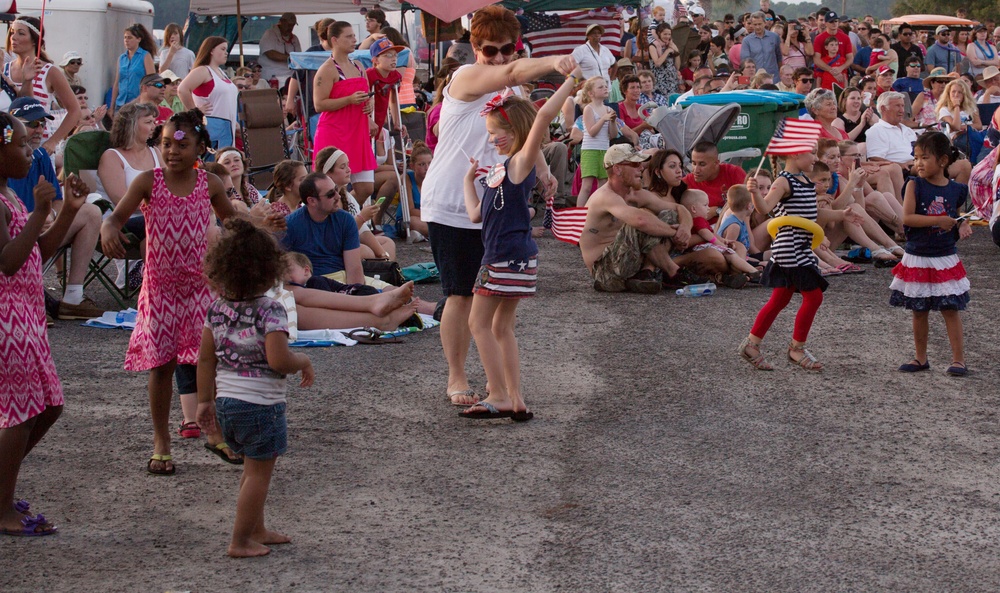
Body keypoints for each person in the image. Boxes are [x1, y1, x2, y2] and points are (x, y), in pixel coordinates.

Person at [421, 5, 568, 407]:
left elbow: (527, 131)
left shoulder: (512, 91)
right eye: (491, 49)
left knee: (494, 300)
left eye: (508, 49)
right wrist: (555, 61)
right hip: (453, 201)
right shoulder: (466, 76)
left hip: (494, 205)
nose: (500, 57)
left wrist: (542, 170)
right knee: (461, 295)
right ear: (476, 48)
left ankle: (499, 386)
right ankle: (456, 377)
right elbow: (512, 73)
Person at [100, 110, 237, 476]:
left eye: (182, 145)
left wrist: (260, 223)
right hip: (160, 290)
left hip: (199, 288)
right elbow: (116, 217)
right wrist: (108, 228)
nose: (172, 151)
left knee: (209, 361)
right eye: (165, 144)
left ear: (200, 148)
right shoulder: (148, 181)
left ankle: (213, 431)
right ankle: (161, 442)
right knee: (162, 366)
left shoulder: (210, 184)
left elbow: (233, 221)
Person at [458, 72, 577, 421]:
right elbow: (476, 214)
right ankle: (516, 397)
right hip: (517, 258)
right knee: (501, 328)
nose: (491, 139)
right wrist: (468, 180)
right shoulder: (500, 169)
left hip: (502, 258)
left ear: (515, 132)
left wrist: (572, 79)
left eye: (495, 132)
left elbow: (542, 116)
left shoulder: (519, 163)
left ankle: (498, 394)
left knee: (478, 323)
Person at [195, 217, 313, 558]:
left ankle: (256, 528)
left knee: (250, 469)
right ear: (269, 270)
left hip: (227, 404)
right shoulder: (271, 310)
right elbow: (278, 360)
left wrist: (204, 402)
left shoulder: (217, 309)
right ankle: (240, 539)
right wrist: (302, 361)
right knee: (259, 475)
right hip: (261, 405)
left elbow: (205, 360)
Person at [0, 114, 91, 538]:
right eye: (20, 144)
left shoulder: (9, 197)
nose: (29, 151)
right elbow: (7, 262)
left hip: (26, 315)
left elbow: (36, 252)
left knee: (48, 405)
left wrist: (67, 210)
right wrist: (40, 211)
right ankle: (2, 507)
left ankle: (1, 486)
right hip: (7, 320)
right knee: (20, 412)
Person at [8, 98, 104, 320]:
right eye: (33, 124)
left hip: (40, 231)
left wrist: (50, 214)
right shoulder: (6, 160)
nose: (39, 130)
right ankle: (28, 299)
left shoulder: (40, 156)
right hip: (13, 240)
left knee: (91, 212)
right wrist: (31, 218)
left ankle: (73, 298)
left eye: (43, 123)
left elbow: (57, 203)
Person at [738, 146, 827, 372]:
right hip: (791, 249)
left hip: (801, 247)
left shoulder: (804, 180)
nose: (816, 158)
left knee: (780, 299)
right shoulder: (784, 182)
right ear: (795, 153)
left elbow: (808, 216)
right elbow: (765, 208)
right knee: (814, 296)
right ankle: (797, 348)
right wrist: (755, 193)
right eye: (812, 152)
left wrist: (819, 236)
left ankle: (751, 345)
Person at [890, 132, 971, 376]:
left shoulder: (957, 189)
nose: (919, 163)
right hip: (918, 255)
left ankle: (958, 360)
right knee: (919, 310)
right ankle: (920, 357)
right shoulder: (914, 185)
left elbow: (956, 215)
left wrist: (962, 224)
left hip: (945, 257)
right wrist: (938, 220)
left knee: (950, 309)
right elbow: (907, 218)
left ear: (943, 160)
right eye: (916, 158)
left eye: (925, 157)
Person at [314, 22, 377, 203]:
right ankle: (340, 211)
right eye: (348, 36)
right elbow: (319, 104)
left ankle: (348, 211)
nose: (354, 40)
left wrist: (369, 105)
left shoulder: (358, 66)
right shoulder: (327, 69)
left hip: (357, 131)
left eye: (354, 36)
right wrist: (348, 100)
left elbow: (366, 93)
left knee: (366, 187)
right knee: (331, 188)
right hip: (335, 131)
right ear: (334, 40)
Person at [5, 16, 81, 152]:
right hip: (9, 148)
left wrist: (53, 142)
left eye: (21, 33)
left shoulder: (49, 72)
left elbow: (75, 110)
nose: (13, 37)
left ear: (35, 40)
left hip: (38, 148)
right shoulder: (4, 70)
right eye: (12, 32)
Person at [314, 146, 395, 263]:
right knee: (364, 250)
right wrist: (361, 218)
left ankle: (386, 268)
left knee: (388, 243)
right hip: (328, 250)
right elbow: (336, 238)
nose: (348, 170)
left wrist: (382, 254)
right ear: (328, 173)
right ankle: (380, 269)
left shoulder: (347, 197)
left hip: (348, 243)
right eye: (342, 167)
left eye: (348, 165)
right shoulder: (322, 200)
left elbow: (363, 232)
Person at [179, 37, 240, 151]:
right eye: (222, 49)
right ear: (211, 50)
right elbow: (182, 89)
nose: (226, 53)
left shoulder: (221, 72)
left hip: (227, 129)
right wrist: (195, 112)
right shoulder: (203, 71)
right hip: (212, 128)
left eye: (226, 49)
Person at [376, 141, 431, 240]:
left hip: (429, 218)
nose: (427, 168)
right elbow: (411, 211)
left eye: (430, 163)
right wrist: (432, 215)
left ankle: (422, 235)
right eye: (422, 164)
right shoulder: (407, 179)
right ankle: (430, 234)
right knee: (412, 221)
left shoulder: (434, 179)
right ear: (412, 166)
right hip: (408, 219)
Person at [684, 141, 748, 223]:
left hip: (734, 225)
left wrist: (717, 211)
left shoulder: (734, 173)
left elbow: (748, 205)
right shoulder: (687, 181)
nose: (696, 170)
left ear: (716, 163)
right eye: (693, 163)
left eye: (702, 164)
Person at [578, 76, 618, 206]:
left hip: (604, 149)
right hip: (590, 150)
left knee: (603, 185)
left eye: (605, 86)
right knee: (587, 186)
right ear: (591, 93)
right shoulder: (588, 109)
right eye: (600, 87)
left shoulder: (609, 110)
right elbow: (591, 132)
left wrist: (612, 122)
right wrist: (603, 119)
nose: (605, 88)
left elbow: (613, 135)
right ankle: (579, 213)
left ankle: (599, 211)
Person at [110, 24, 156, 118]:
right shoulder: (122, 58)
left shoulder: (145, 56)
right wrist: (112, 106)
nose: (126, 40)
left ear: (138, 39)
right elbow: (117, 83)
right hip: (121, 103)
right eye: (125, 38)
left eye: (130, 38)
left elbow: (151, 81)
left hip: (138, 103)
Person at [366, 37, 404, 132]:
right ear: (376, 60)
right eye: (388, 55)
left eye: (395, 55)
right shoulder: (369, 75)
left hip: (381, 119)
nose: (394, 59)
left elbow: (394, 101)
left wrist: (397, 123)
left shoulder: (395, 76)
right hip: (367, 120)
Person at [258, 13, 301, 85]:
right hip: (272, 76)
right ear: (281, 22)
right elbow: (271, 54)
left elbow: (298, 56)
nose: (290, 28)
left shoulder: (294, 38)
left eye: (292, 25)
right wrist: (290, 58)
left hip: (291, 76)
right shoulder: (269, 34)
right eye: (288, 25)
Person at [812, 11, 852, 84]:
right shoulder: (819, 38)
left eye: (836, 21)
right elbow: (816, 59)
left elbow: (850, 58)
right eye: (831, 22)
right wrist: (831, 70)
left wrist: (840, 68)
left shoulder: (845, 38)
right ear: (826, 23)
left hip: (841, 75)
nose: (834, 23)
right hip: (823, 75)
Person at [741, 12, 783, 77]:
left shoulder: (774, 37)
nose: (757, 27)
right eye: (755, 24)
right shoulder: (747, 40)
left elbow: (779, 57)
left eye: (760, 24)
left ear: (765, 23)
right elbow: (745, 61)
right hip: (756, 77)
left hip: (773, 76)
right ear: (752, 24)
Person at [649, 23, 682, 95]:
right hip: (660, 82)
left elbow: (677, 66)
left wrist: (676, 52)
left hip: (672, 82)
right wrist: (667, 51)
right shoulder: (653, 46)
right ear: (659, 33)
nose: (667, 36)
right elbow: (657, 63)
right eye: (665, 34)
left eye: (669, 34)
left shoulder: (671, 45)